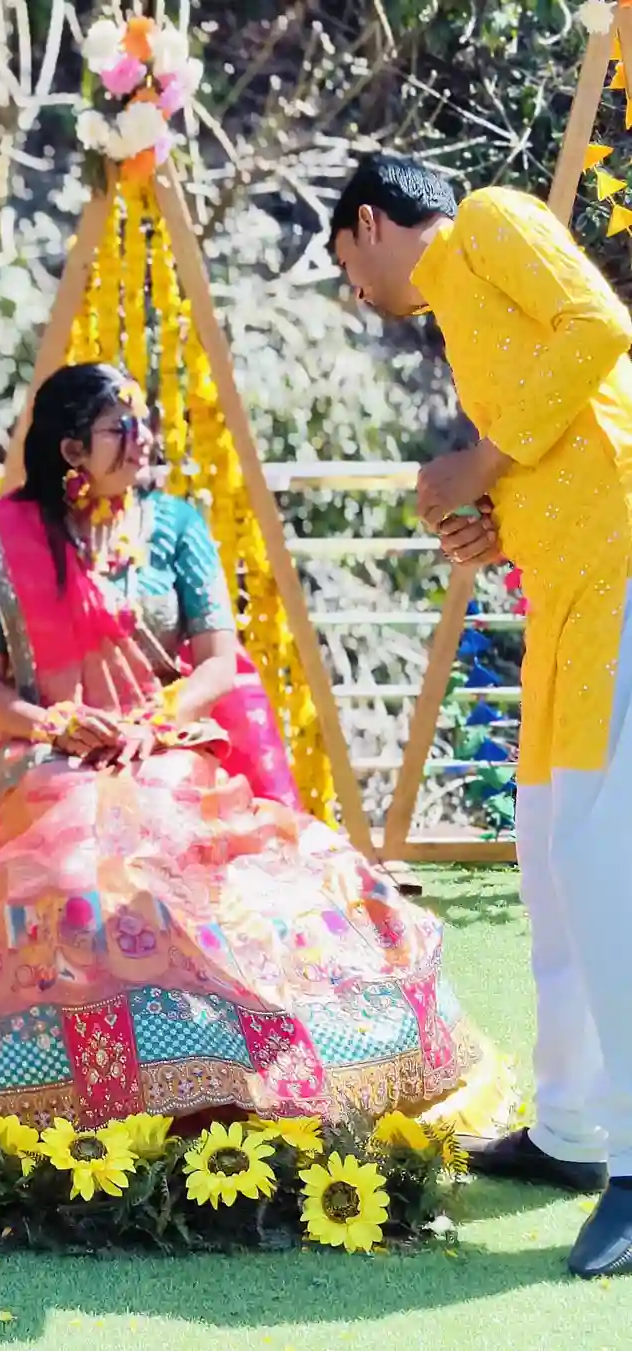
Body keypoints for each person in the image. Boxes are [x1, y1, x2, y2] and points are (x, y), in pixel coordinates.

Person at [0, 363, 477, 1134]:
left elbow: (215, 660)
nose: (144, 443)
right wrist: (55, 723)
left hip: (164, 743)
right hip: (50, 757)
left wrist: (156, 719)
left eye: (143, 426)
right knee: (79, 865)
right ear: (73, 449)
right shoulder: (5, 537)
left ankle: (223, 1061)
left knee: (191, 860)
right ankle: (62, 1083)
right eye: (122, 429)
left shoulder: (176, 526)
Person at [328, 151, 632, 1278]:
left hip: (621, 578)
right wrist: (489, 519)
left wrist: (480, 462)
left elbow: (600, 329)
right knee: (553, 867)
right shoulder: (454, 320)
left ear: (369, 221)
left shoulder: (491, 220)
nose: (351, 287)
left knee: (606, 865)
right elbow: (570, 437)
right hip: (562, 603)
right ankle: (568, 1130)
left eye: (343, 260)